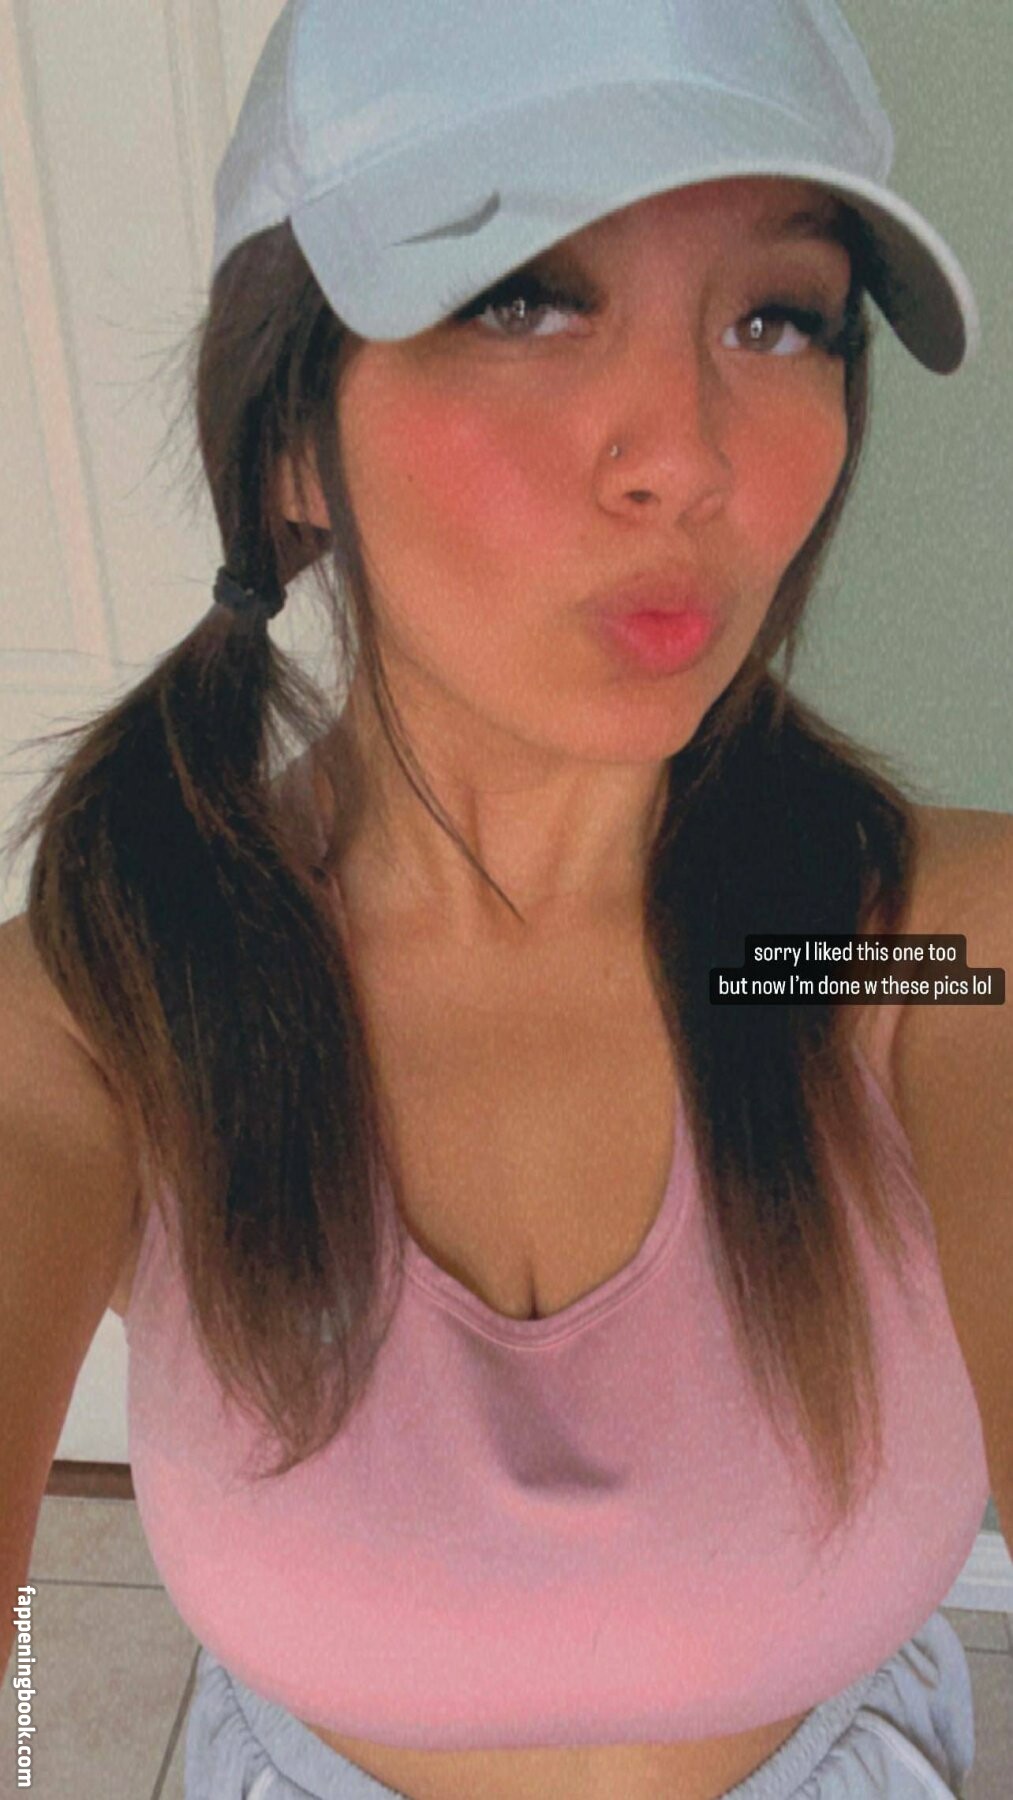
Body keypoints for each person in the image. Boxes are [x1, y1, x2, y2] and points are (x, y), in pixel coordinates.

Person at [2, 3, 1008, 1798]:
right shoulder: (107, 1015)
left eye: (777, 317)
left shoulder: (901, 960)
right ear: (289, 442)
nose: (687, 454)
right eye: (522, 299)